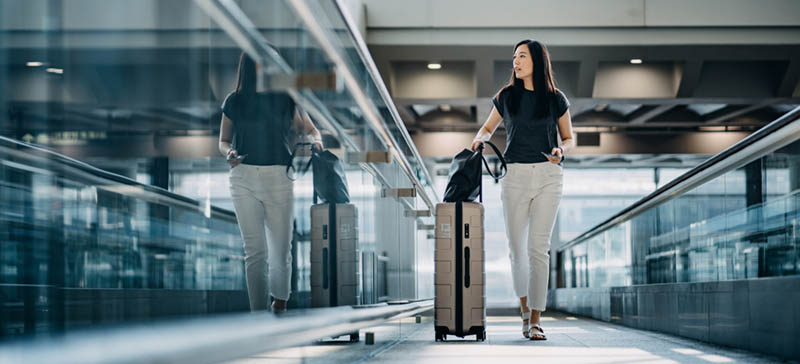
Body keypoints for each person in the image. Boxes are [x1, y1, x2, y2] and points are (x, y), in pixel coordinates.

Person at [471, 39, 574, 340]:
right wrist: (479, 138)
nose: (515, 62)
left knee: (537, 250)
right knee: (517, 251)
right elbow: (488, 128)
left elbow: (568, 137)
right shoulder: (506, 96)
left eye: (522, 57)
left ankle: (537, 320)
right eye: (514, 57)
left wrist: (561, 150)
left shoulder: (556, 98)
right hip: (514, 175)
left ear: (538, 62)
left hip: (548, 175)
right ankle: (525, 311)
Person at [219, 52, 323, 313]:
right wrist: (228, 153)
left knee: (281, 248)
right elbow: (223, 141)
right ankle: (257, 315)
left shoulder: (285, 97)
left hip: (279, 176)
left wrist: (316, 141)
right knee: (254, 252)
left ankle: (280, 304)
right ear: (250, 66)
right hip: (242, 177)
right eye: (262, 60)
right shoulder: (234, 101)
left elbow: (309, 129)